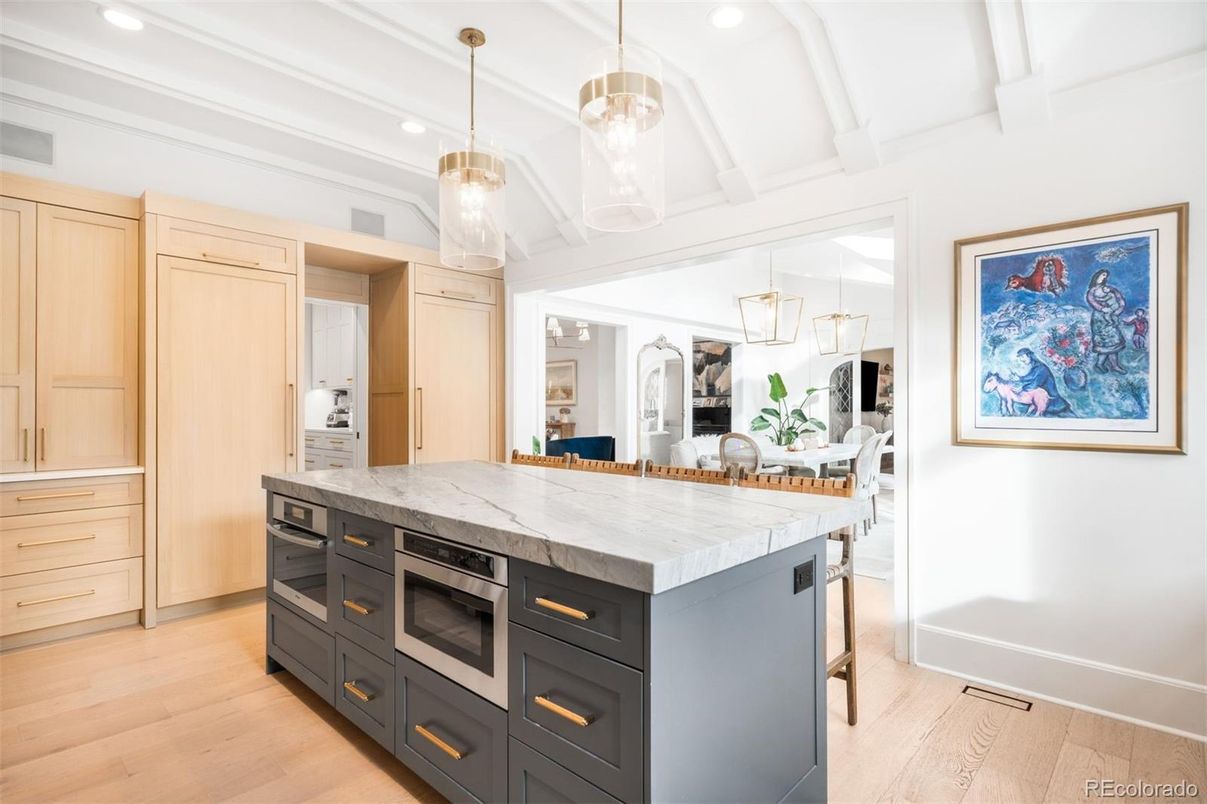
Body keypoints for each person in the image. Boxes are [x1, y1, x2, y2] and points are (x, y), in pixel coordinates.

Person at [1085, 268, 1127, 373]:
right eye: (1102, 275)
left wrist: (1119, 309)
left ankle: (1115, 366)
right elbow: (1091, 300)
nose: (1103, 277)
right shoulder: (1092, 290)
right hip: (1100, 319)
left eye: (1105, 276)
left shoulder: (1110, 288)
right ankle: (1100, 364)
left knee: (1114, 342)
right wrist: (1102, 308)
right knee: (1104, 343)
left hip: (1112, 317)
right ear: (1096, 276)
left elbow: (1119, 298)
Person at [1014, 348, 1074, 416]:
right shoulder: (1035, 367)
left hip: (1052, 401)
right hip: (1041, 400)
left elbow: (1035, 384)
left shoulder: (1041, 368)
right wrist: (1019, 378)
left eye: (1022, 357)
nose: (1021, 360)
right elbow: (1029, 377)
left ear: (1029, 356)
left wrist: (1021, 388)